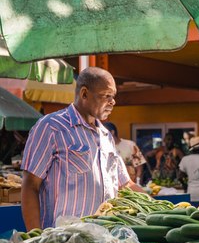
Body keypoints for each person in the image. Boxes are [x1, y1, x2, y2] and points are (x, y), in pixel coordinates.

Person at [21, 67, 144, 230]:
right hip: (62, 240)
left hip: (104, 239)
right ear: (84, 94)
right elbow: (30, 186)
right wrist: (36, 237)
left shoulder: (106, 136)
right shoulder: (51, 127)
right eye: (106, 96)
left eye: (113, 97)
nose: (112, 102)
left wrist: (162, 207)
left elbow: (124, 184)